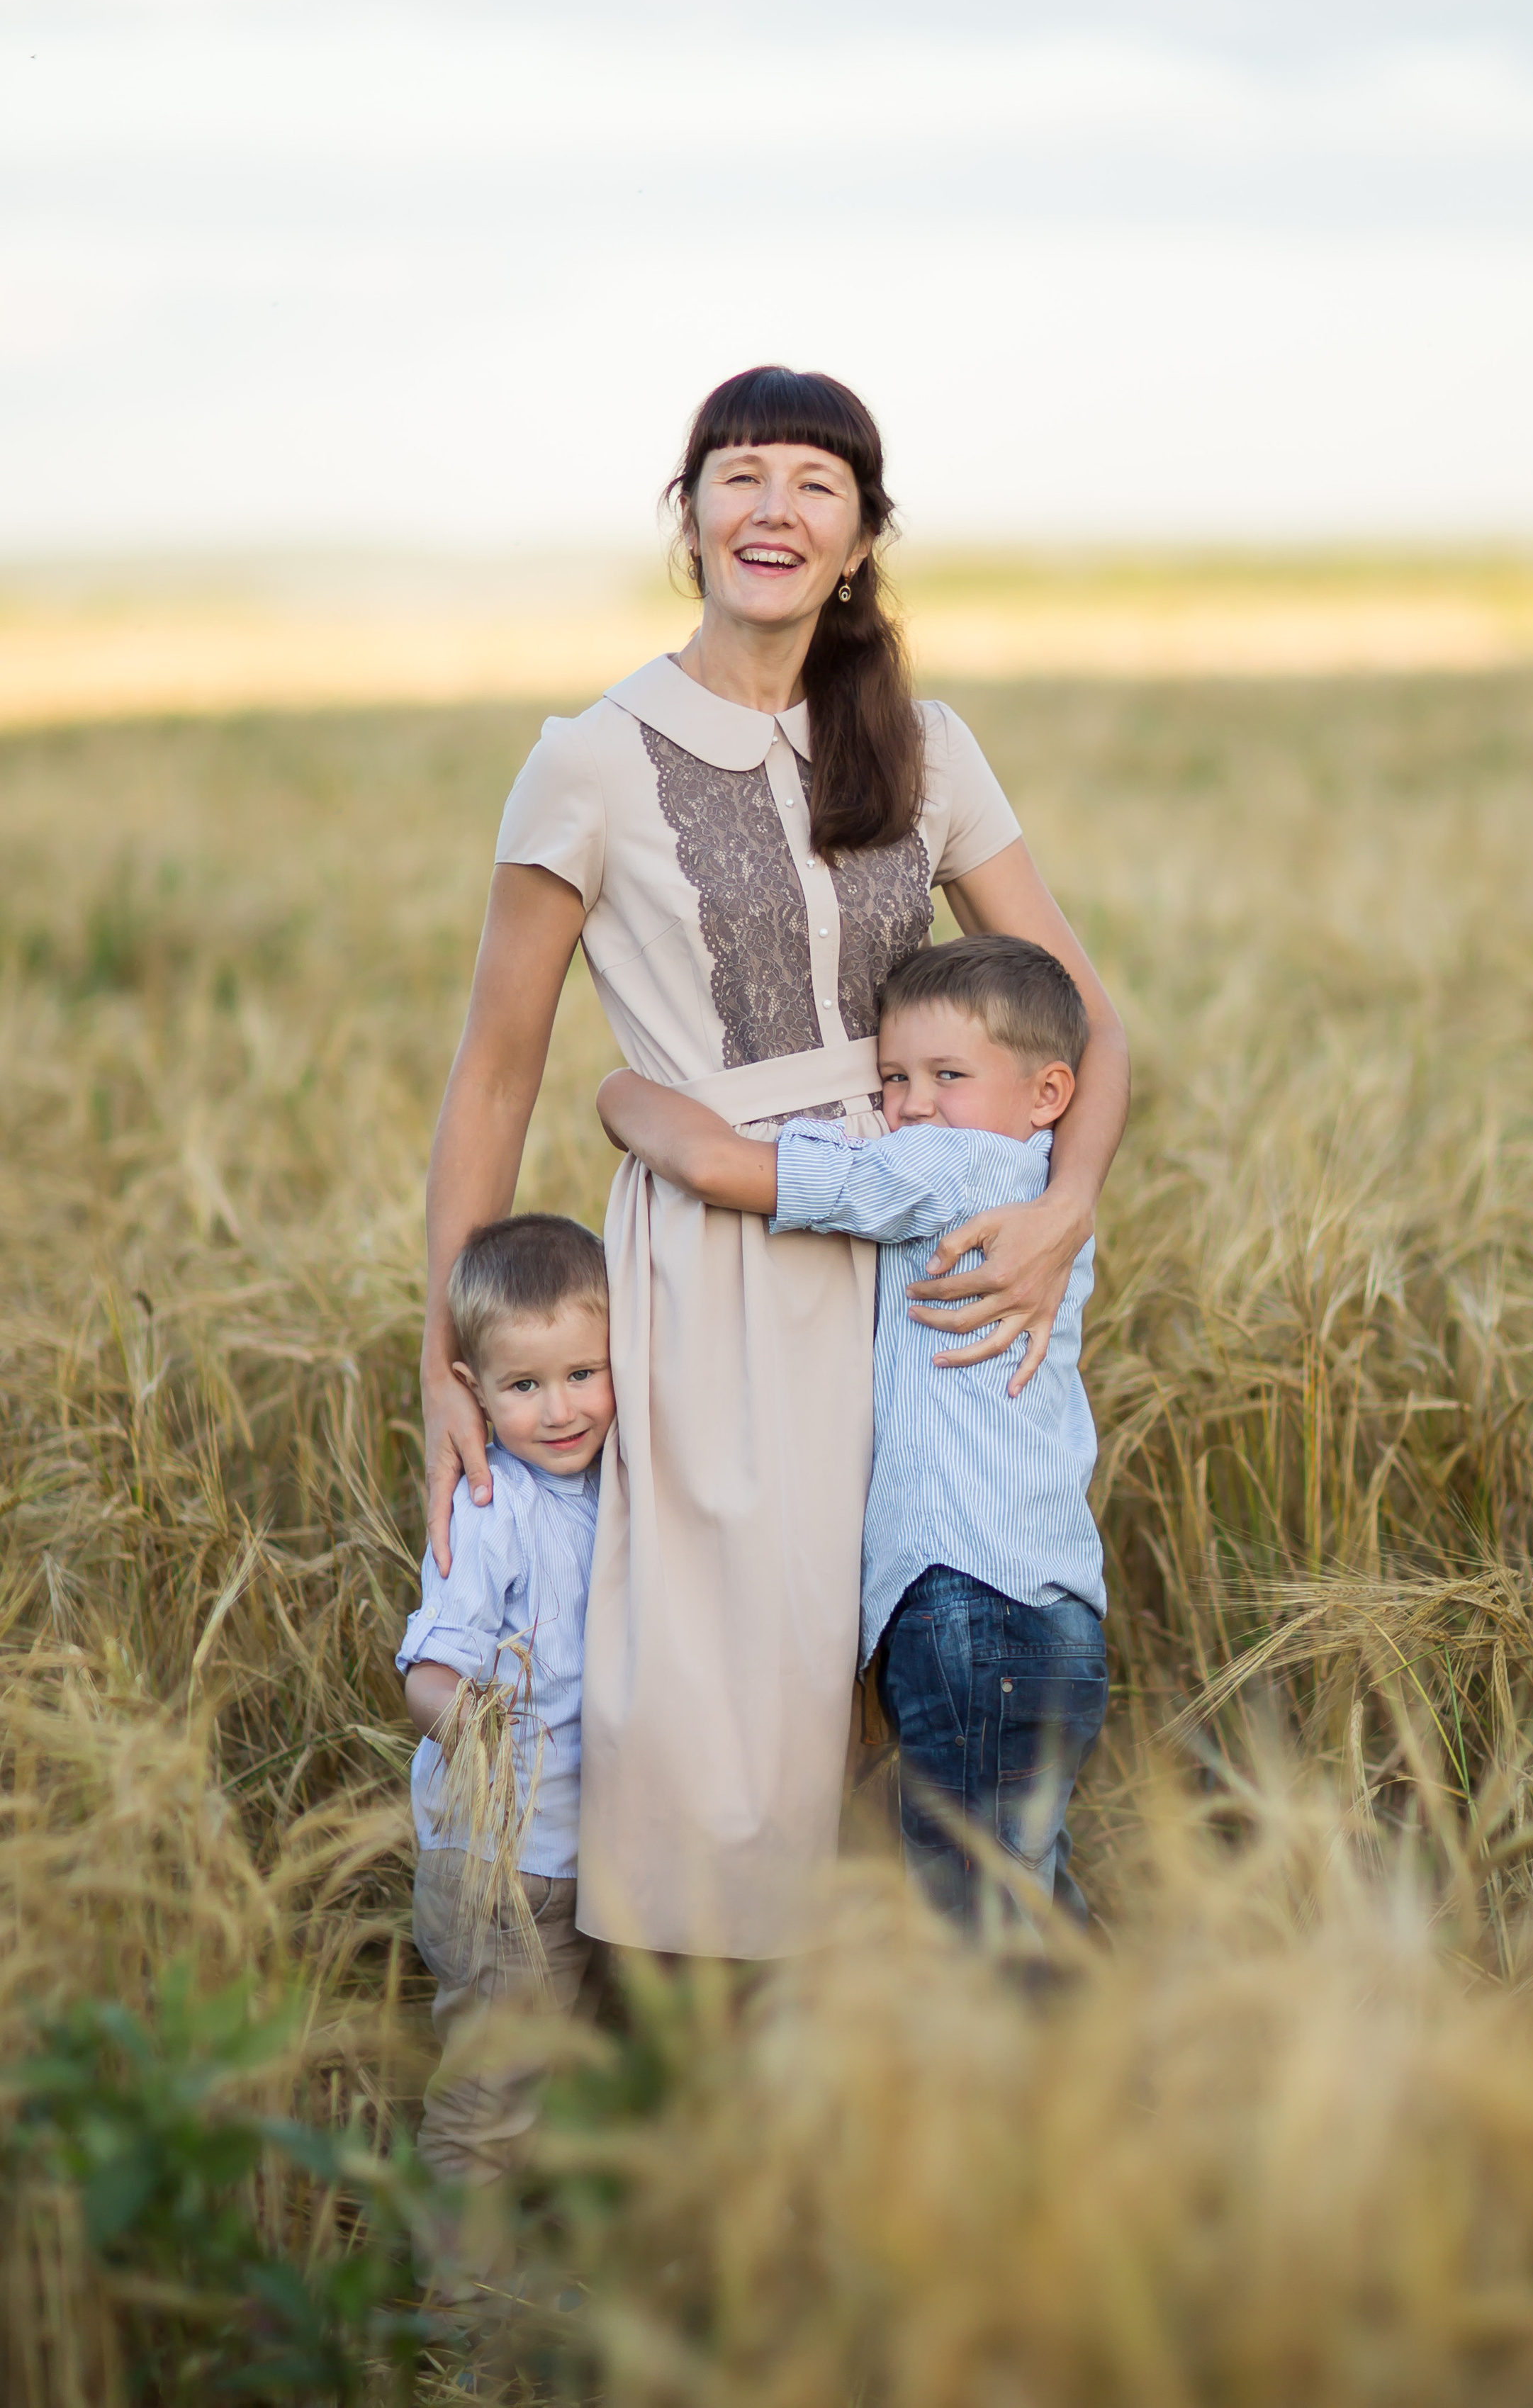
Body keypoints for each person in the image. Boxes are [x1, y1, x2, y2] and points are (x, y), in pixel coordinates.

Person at [420, 363, 1128, 1960]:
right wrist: (440, 1358)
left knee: (924, 1666)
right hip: (721, 1268)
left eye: (817, 484)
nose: (774, 510)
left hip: (923, 1270)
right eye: (740, 476)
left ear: (862, 538)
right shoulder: (591, 759)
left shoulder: (927, 748)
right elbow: (495, 1074)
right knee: (726, 1712)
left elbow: (1088, 1026)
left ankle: (920, 2047)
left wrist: (1062, 1212)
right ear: (687, 518)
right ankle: (705, 2060)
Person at [597, 934, 1108, 1932]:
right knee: (1023, 1896)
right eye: (894, 1078)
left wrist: (620, 1091)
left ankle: (1029, 2046)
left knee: (977, 1924)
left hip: (972, 1607)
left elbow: (715, 1165)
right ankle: (1117, 2037)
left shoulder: (953, 1167)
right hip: (1051, 1613)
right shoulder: (1040, 1190)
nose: (911, 1104)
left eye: (947, 1075)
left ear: (1049, 1093)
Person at [398, 1213, 616, 2183]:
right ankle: (457, 2275)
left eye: (583, 1374)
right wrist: (479, 1735)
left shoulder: (616, 1486)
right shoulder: (491, 1507)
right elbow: (430, 1671)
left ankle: (535, 2253)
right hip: (504, 1870)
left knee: (562, 2087)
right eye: (524, 1386)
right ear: (471, 1389)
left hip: (580, 1859)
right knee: (490, 2103)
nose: (560, 1409)